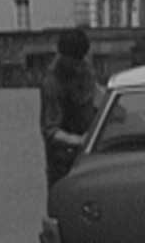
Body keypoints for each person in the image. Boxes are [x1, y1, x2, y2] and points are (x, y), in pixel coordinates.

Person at [40, 28, 104, 188]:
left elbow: (94, 93)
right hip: (63, 161)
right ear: (65, 57)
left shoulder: (84, 67)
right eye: (75, 61)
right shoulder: (52, 83)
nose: (80, 65)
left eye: (82, 59)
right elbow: (50, 131)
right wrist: (80, 140)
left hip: (89, 154)